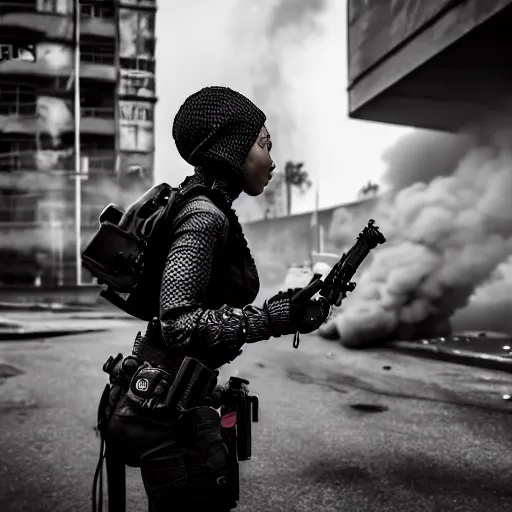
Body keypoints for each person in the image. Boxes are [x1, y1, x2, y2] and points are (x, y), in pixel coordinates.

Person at [105, 86, 330, 511]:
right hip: (158, 417)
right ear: (234, 149)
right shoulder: (205, 215)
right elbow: (178, 322)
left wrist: (285, 310)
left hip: (169, 405)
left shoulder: (205, 206)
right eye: (264, 144)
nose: (272, 159)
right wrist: (274, 318)